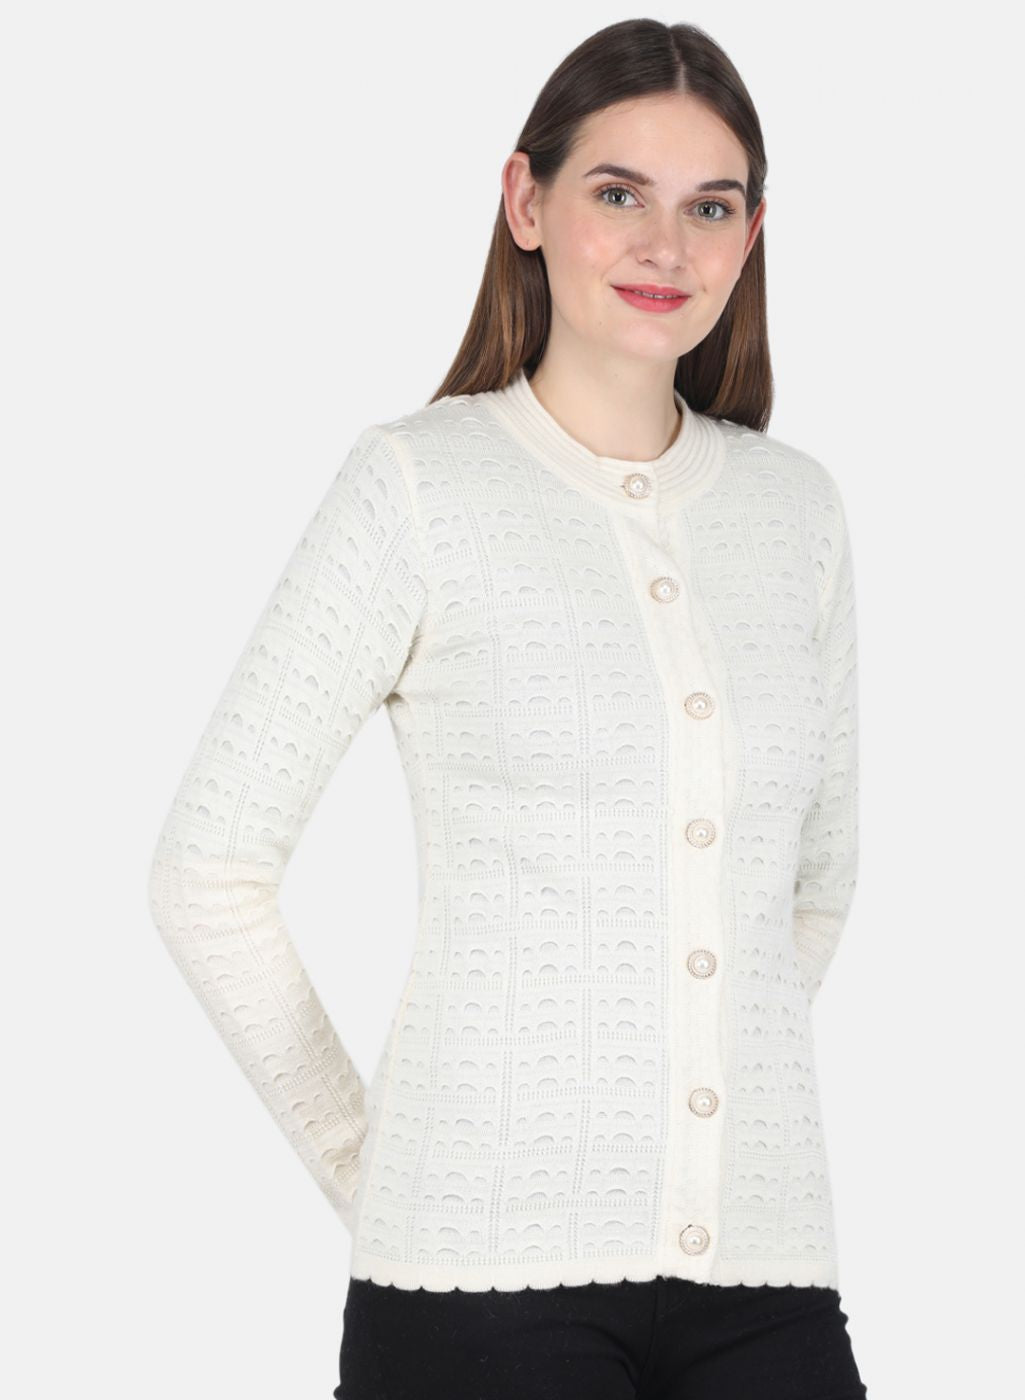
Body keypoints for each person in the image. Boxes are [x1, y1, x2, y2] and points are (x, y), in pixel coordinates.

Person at [148, 17, 869, 1399]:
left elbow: (814, 886)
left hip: (765, 1271)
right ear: (525, 203)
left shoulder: (798, 515)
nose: (665, 246)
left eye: (709, 207)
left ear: (752, 235)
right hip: (476, 1282)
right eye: (619, 193)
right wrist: (370, 1162)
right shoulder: (417, 487)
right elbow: (207, 870)